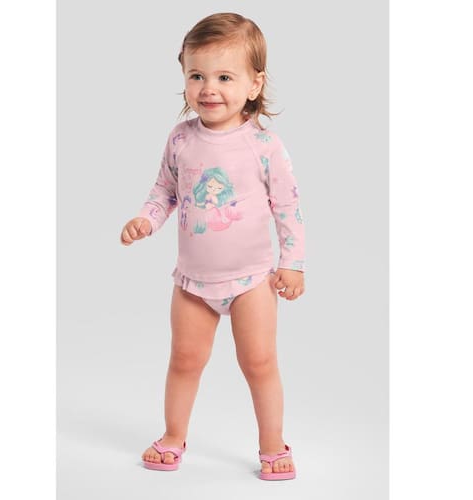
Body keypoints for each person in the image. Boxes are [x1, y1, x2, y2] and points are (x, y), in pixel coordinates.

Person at [120, 12, 305, 481]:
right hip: (192, 282)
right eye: (197, 76)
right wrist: (145, 219)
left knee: (259, 363)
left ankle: (272, 444)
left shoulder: (263, 145)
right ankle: (173, 436)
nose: (208, 88)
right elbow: (165, 191)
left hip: (252, 281)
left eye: (224, 77)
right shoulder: (181, 139)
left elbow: (287, 205)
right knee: (184, 360)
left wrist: (293, 263)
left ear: (254, 84)